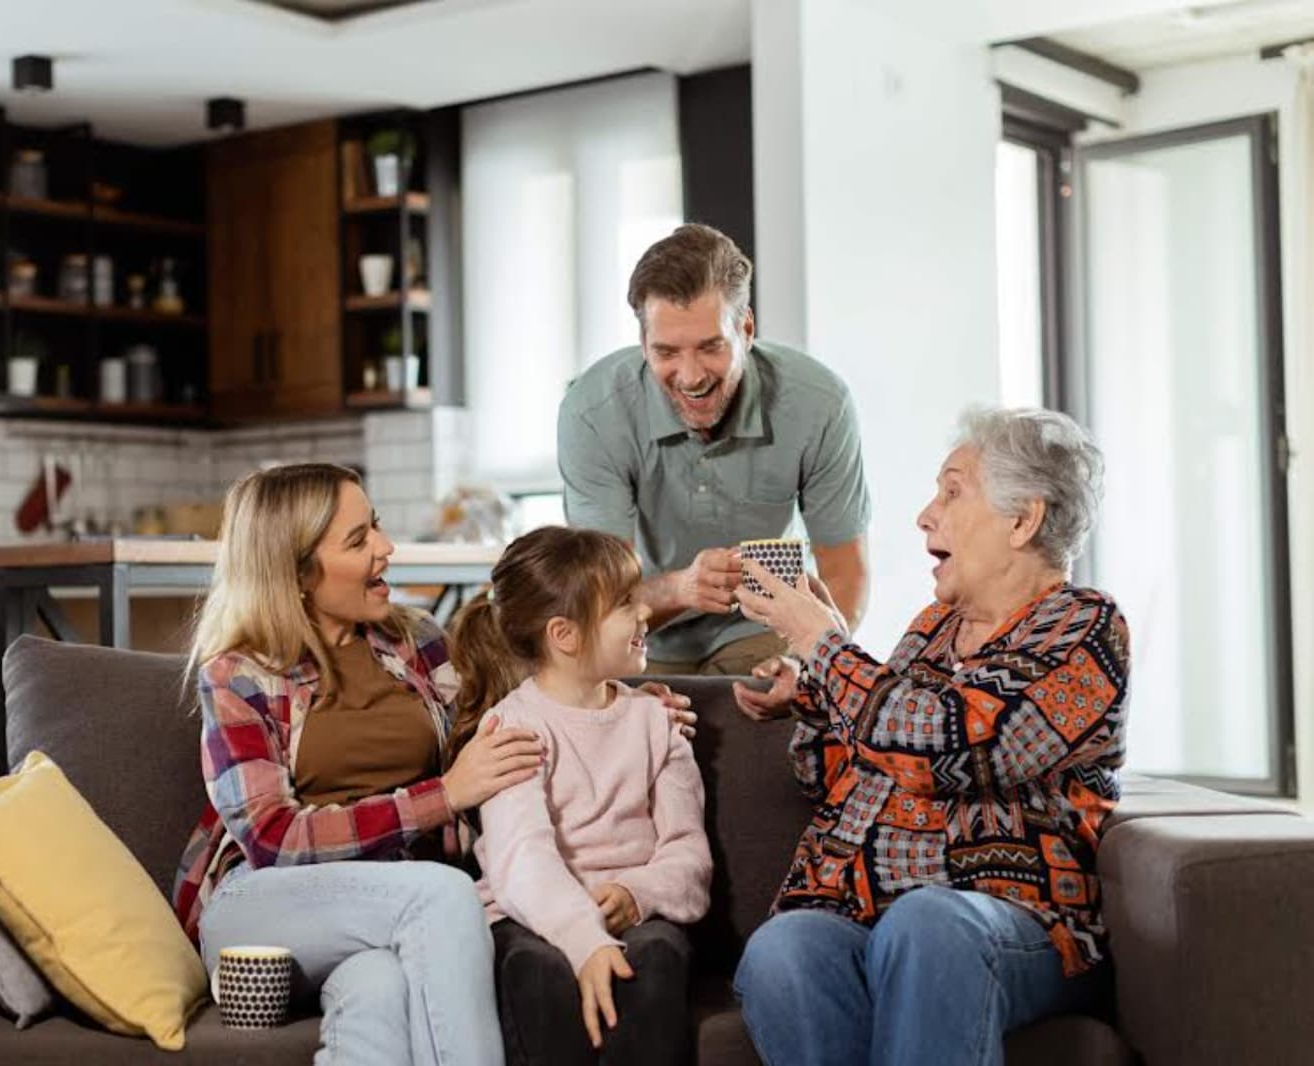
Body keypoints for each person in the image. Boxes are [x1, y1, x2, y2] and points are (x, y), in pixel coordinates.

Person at [729, 407, 1131, 1066]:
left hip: (1016, 920)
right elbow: (845, 768)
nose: (924, 516)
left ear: (1022, 520)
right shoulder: (929, 630)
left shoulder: (1081, 626)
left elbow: (955, 747)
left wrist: (824, 646)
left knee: (927, 924)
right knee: (784, 948)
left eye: (951, 492)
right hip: (862, 913)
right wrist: (810, 695)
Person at [172, 462, 542, 1066]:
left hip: (386, 908)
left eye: (376, 525)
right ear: (296, 572)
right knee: (444, 895)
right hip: (265, 906)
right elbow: (271, 838)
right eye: (357, 540)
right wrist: (442, 797)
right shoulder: (239, 674)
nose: (386, 547)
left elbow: (501, 726)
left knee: (379, 988)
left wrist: (614, 702)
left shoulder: (416, 641)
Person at [446, 526, 712, 1066]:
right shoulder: (512, 729)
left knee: (656, 958)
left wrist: (637, 892)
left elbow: (688, 854)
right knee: (536, 969)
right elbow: (523, 859)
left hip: (636, 916)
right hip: (532, 915)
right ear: (564, 635)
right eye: (625, 603)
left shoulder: (656, 721)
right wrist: (585, 940)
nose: (645, 612)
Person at [557, 223, 872, 679]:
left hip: (765, 628)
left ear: (746, 329)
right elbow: (599, 600)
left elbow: (845, 574)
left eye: (711, 347)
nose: (691, 376)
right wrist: (681, 589)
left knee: (779, 707)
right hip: (640, 632)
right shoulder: (591, 412)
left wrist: (804, 664)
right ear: (643, 344)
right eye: (667, 352)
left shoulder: (819, 403)